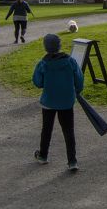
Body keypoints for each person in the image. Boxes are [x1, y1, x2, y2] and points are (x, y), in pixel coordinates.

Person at [32, 33, 84, 172]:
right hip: (66, 100)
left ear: (46, 47)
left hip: (49, 100)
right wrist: (77, 90)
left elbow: (38, 82)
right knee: (68, 131)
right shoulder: (70, 61)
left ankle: (43, 155)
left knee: (47, 129)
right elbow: (79, 78)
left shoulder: (43, 64)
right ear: (59, 46)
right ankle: (72, 160)